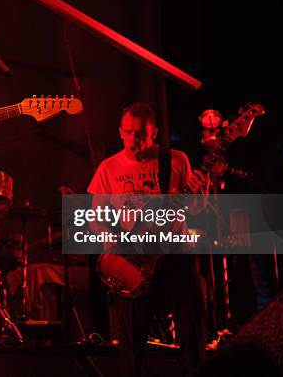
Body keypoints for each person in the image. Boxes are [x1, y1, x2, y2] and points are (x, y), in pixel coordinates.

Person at [87, 102, 208, 377]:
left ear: (154, 133)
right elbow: (95, 217)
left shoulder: (176, 160)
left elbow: (195, 210)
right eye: (129, 132)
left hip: (176, 254)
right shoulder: (108, 168)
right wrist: (115, 246)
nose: (134, 140)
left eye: (140, 133)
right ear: (120, 132)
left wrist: (202, 194)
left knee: (192, 334)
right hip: (134, 259)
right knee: (131, 345)